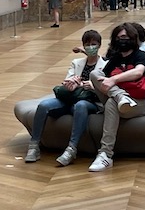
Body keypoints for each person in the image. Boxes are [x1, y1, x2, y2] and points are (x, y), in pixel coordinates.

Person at [25, 29, 104, 164]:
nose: (91, 47)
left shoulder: (105, 65)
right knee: (44, 105)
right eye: (88, 44)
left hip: (90, 101)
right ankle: (34, 145)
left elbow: (105, 89)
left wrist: (93, 86)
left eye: (94, 44)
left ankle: (71, 149)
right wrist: (73, 83)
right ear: (84, 45)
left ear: (99, 45)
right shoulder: (76, 63)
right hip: (70, 99)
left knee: (80, 106)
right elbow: (67, 81)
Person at [86, 21, 145, 171]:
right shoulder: (115, 58)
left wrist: (114, 79)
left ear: (133, 38)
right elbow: (100, 78)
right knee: (95, 74)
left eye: (126, 37)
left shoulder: (141, 56)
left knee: (111, 103)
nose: (123, 40)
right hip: (119, 100)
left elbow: (138, 72)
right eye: (120, 37)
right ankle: (121, 96)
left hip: (139, 103)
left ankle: (105, 154)